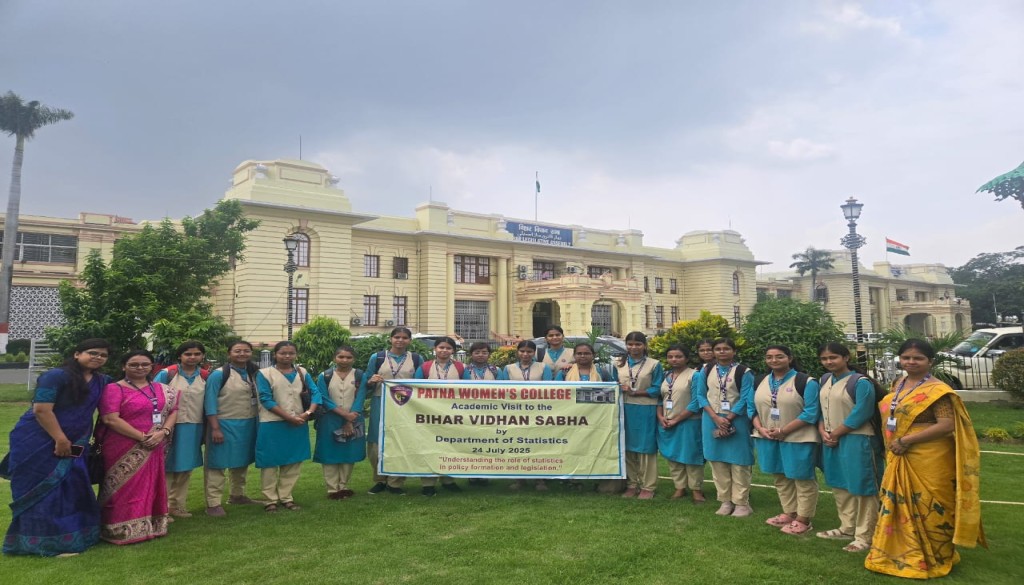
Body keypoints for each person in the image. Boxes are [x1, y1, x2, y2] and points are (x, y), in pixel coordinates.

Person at [865, 339, 986, 578]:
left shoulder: (938, 391)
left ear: (930, 361)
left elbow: (946, 425)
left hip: (930, 456)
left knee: (931, 504)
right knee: (897, 502)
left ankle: (935, 556)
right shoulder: (898, 383)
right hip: (899, 452)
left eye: (918, 358)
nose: (911, 362)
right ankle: (896, 552)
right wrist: (898, 442)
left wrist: (907, 440)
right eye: (906, 357)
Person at [3, 339, 112, 557]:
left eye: (103, 355)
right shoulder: (56, 376)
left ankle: (74, 537)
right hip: (38, 440)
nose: (98, 357)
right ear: (77, 354)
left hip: (77, 442)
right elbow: (42, 410)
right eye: (92, 352)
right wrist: (60, 439)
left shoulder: (102, 381)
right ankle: (43, 544)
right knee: (43, 491)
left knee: (72, 489)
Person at [98, 350, 179, 545]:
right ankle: (118, 529)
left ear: (152, 367)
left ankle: (150, 525)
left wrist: (163, 432)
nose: (140, 368)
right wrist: (142, 437)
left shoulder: (162, 388)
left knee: (150, 485)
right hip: (123, 444)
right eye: (134, 364)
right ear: (123, 366)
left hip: (155, 444)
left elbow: (174, 410)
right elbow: (110, 419)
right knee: (123, 486)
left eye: (145, 364)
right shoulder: (114, 389)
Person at [815, 342, 884, 552]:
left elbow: (861, 413)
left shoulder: (860, 382)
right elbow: (822, 410)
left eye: (833, 357)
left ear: (846, 358)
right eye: (824, 358)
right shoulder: (825, 380)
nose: (829, 362)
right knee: (840, 483)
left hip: (858, 439)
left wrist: (835, 433)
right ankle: (847, 527)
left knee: (863, 486)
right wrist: (823, 431)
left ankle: (865, 535)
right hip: (831, 439)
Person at [750, 345, 821, 535]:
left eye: (779, 356)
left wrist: (784, 430)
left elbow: (811, 412)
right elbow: (751, 409)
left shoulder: (806, 382)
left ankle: (804, 519)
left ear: (789, 358)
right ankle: (789, 512)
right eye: (769, 357)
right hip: (768, 436)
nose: (774, 360)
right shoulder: (759, 381)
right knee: (780, 477)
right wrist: (760, 428)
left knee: (802, 478)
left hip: (798, 438)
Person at [255, 341, 319, 512]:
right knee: (269, 462)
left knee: (293, 461)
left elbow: (315, 393)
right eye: (283, 353)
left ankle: (286, 497)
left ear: (296, 355)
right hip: (272, 423)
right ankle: (270, 500)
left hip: (298, 422)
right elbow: (265, 399)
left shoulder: (302, 372)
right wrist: (289, 417)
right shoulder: (264, 374)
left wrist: (308, 413)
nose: (287, 356)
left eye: (291, 353)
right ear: (275, 355)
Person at [695, 337, 755, 517]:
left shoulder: (743, 371)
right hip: (711, 419)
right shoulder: (706, 370)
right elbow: (700, 395)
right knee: (717, 460)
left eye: (726, 348)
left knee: (739, 461)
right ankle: (725, 501)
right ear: (714, 352)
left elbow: (745, 397)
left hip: (737, 419)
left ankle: (742, 503)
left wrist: (728, 418)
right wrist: (715, 417)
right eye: (718, 349)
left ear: (734, 351)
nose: (722, 351)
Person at [361, 327, 424, 495]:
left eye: (404, 337)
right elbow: (367, 381)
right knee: (376, 440)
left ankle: (396, 482)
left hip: (406, 405)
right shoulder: (378, 357)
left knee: (402, 440)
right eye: (397, 337)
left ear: (410, 340)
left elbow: (422, 383)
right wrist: (371, 380)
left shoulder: (416, 358)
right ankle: (380, 479)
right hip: (380, 402)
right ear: (390, 339)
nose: (400, 340)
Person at [203, 340, 261, 517]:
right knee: (217, 463)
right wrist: (215, 428)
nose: (242, 354)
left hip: (248, 423)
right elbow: (209, 402)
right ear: (229, 353)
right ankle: (213, 503)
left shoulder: (253, 373)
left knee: (242, 461)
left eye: (246, 351)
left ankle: (237, 495)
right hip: (224, 424)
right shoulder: (219, 375)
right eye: (237, 351)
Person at [152, 341, 208, 519]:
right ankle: (161, 509)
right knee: (167, 467)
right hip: (169, 427)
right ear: (180, 356)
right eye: (188, 354)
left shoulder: (205, 376)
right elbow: (153, 398)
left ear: (202, 356)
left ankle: (178, 505)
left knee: (186, 467)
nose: (192, 357)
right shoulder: (167, 374)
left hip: (194, 426)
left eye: (197, 354)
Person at [313, 346, 366, 500]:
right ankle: (332, 488)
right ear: (334, 358)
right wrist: (345, 415)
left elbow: (361, 397)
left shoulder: (360, 375)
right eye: (341, 357)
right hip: (330, 419)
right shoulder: (325, 376)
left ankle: (343, 486)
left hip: (354, 417)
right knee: (329, 452)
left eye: (349, 357)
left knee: (349, 452)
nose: (344, 360)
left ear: (354, 359)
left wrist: (350, 418)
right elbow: (324, 398)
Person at [413, 336, 464, 496]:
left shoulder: (461, 367)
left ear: (453, 350)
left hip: (452, 413)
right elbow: (415, 388)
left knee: (450, 446)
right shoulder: (425, 367)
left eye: (448, 348)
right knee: (429, 446)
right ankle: (428, 483)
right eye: (441, 347)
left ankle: (448, 480)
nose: (444, 350)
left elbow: (469, 389)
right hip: (429, 414)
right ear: (435, 349)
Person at [617, 332, 664, 500]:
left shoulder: (654, 364)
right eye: (630, 344)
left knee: (646, 448)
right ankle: (632, 484)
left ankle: (648, 486)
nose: (634, 347)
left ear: (644, 346)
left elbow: (658, 388)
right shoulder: (618, 363)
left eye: (638, 344)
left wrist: (635, 392)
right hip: (624, 409)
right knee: (627, 447)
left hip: (646, 409)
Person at [501, 339, 553, 491]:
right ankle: (519, 479)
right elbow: (501, 389)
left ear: (534, 353)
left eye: (529, 351)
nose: (525, 354)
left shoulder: (543, 367)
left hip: (538, 411)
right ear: (517, 352)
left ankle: (540, 480)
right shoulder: (508, 369)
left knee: (538, 445)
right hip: (515, 412)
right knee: (517, 445)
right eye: (522, 351)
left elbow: (549, 388)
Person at [656, 345, 705, 504]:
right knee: (673, 456)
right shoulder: (666, 375)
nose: (674, 360)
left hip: (689, 422)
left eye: (678, 356)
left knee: (691, 456)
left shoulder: (695, 375)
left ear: (687, 358)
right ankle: (679, 487)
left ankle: (696, 489)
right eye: (670, 357)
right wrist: (660, 417)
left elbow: (696, 401)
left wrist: (676, 419)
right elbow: (659, 399)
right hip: (667, 422)